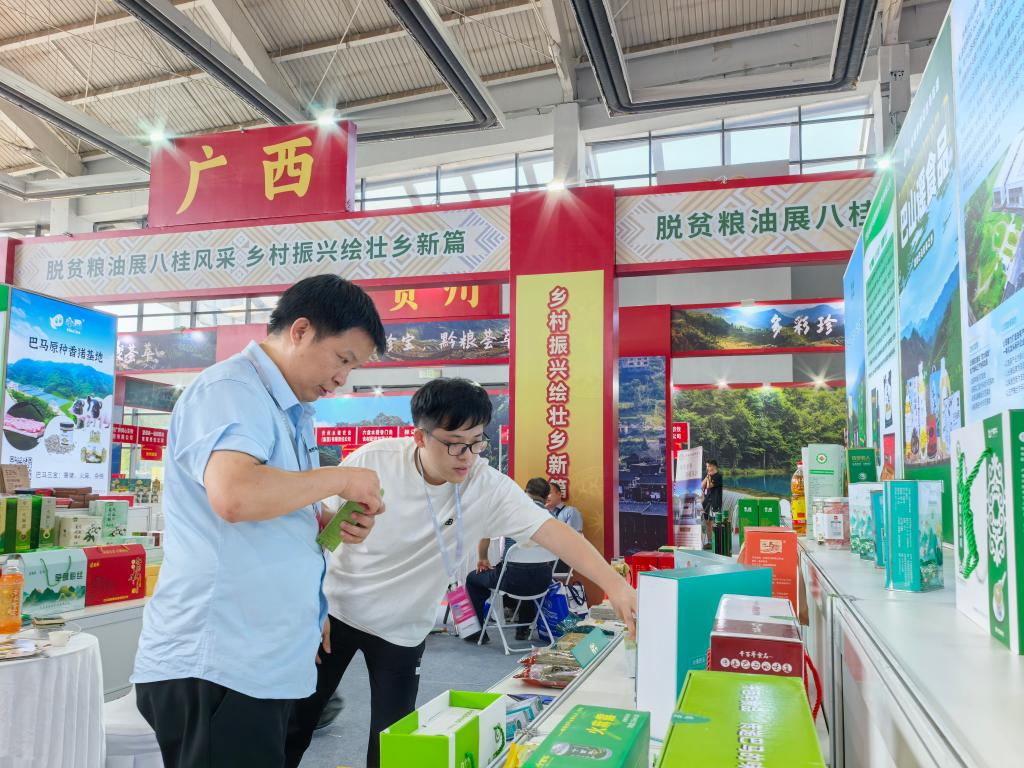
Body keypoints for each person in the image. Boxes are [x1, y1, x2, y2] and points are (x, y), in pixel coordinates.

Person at [285, 378, 637, 768]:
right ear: (420, 437)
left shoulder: (486, 486)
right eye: (454, 443)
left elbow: (554, 532)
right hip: (337, 612)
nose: (466, 456)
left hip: (403, 630)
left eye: (476, 441)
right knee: (295, 725)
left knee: (392, 748)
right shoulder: (374, 462)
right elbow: (318, 533)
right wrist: (309, 603)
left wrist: (616, 585)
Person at [131, 275, 387, 768]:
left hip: (258, 659)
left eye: (353, 367)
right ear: (301, 330)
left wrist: (325, 522)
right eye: (342, 359)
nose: (343, 379)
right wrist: (339, 478)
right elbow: (236, 495)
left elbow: (266, 510)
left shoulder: (288, 409)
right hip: (219, 662)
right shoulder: (232, 389)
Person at [466, 477, 558, 642]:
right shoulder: (553, 518)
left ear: (525, 492)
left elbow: (485, 534)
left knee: (473, 578)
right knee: (531, 570)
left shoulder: (511, 512)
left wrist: (483, 558)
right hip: (542, 582)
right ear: (546, 498)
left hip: (512, 581)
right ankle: (523, 630)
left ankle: (476, 632)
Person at [702, 459, 723, 547]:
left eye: (709, 466)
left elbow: (709, 486)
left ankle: (718, 542)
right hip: (707, 502)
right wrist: (707, 477)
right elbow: (702, 486)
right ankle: (710, 542)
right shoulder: (708, 475)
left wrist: (708, 478)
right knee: (707, 522)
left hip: (715, 502)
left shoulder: (718, 476)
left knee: (716, 522)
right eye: (707, 466)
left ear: (714, 466)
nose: (707, 468)